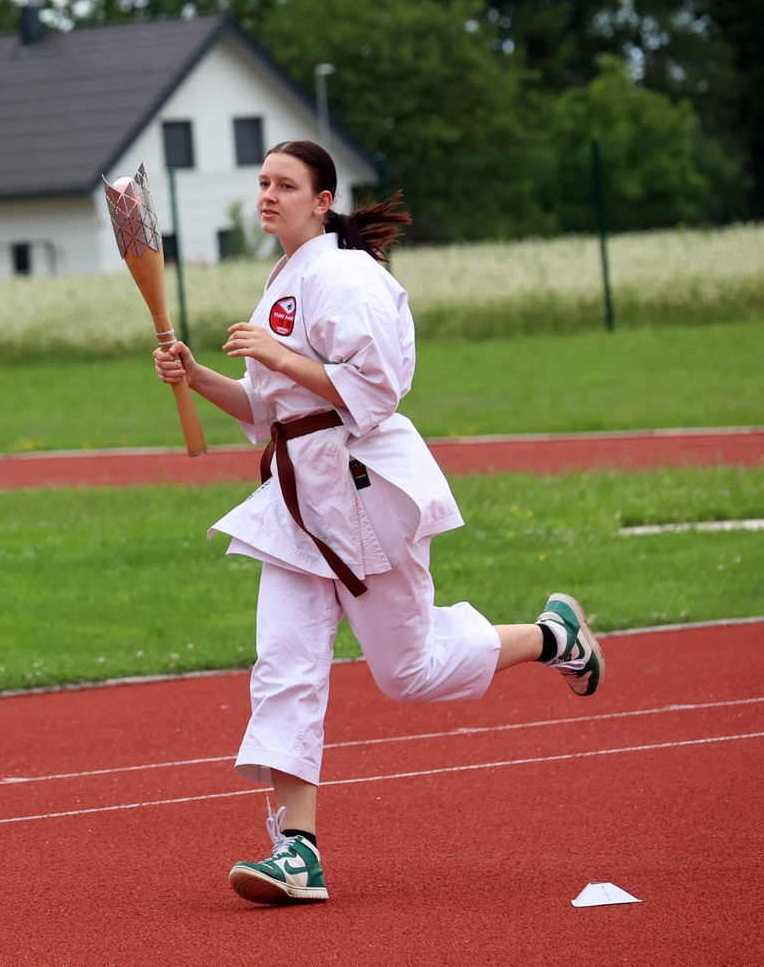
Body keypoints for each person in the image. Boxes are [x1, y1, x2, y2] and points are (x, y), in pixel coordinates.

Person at [153, 140, 603, 907]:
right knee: (284, 667)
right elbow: (268, 413)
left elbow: (378, 388)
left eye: (285, 184)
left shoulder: (348, 276)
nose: (268, 195)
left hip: (364, 489)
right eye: (262, 182)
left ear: (323, 199)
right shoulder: (283, 282)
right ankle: (296, 853)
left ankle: (554, 637)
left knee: (410, 672)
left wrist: (279, 357)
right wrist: (198, 377)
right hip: (298, 501)